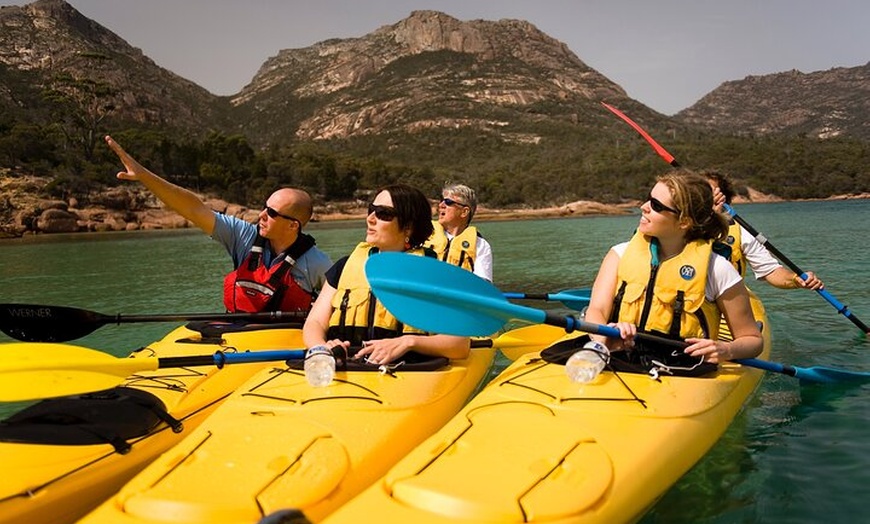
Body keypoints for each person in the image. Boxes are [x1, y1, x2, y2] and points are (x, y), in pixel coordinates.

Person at [105, 135, 332, 313]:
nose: (261, 215)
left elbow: (339, 305)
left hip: (282, 345)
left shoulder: (317, 264)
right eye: (264, 207)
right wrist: (144, 176)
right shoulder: (243, 237)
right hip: (238, 337)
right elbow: (194, 209)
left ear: (293, 225)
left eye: (272, 213)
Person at [584, 169, 763, 366]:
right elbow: (597, 310)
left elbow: (753, 341)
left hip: (682, 367)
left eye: (656, 205)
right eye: (648, 199)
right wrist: (603, 340)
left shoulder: (717, 269)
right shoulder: (619, 255)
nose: (643, 207)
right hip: (620, 356)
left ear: (684, 222)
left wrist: (726, 349)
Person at [303, 183, 470, 365]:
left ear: (408, 227)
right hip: (346, 366)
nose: (371, 219)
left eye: (383, 214)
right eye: (371, 210)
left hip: (408, 373)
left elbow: (459, 344)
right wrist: (321, 348)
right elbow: (315, 323)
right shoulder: (344, 267)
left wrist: (408, 342)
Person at [703, 171, 824, 291]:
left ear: (723, 199)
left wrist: (795, 279)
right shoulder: (684, 228)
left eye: (710, 191)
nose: (702, 195)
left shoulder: (741, 232)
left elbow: (770, 271)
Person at [424, 183, 493, 281]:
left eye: (448, 202)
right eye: (441, 201)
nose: (441, 205)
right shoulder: (422, 233)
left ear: (464, 212)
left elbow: (483, 285)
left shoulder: (480, 245)